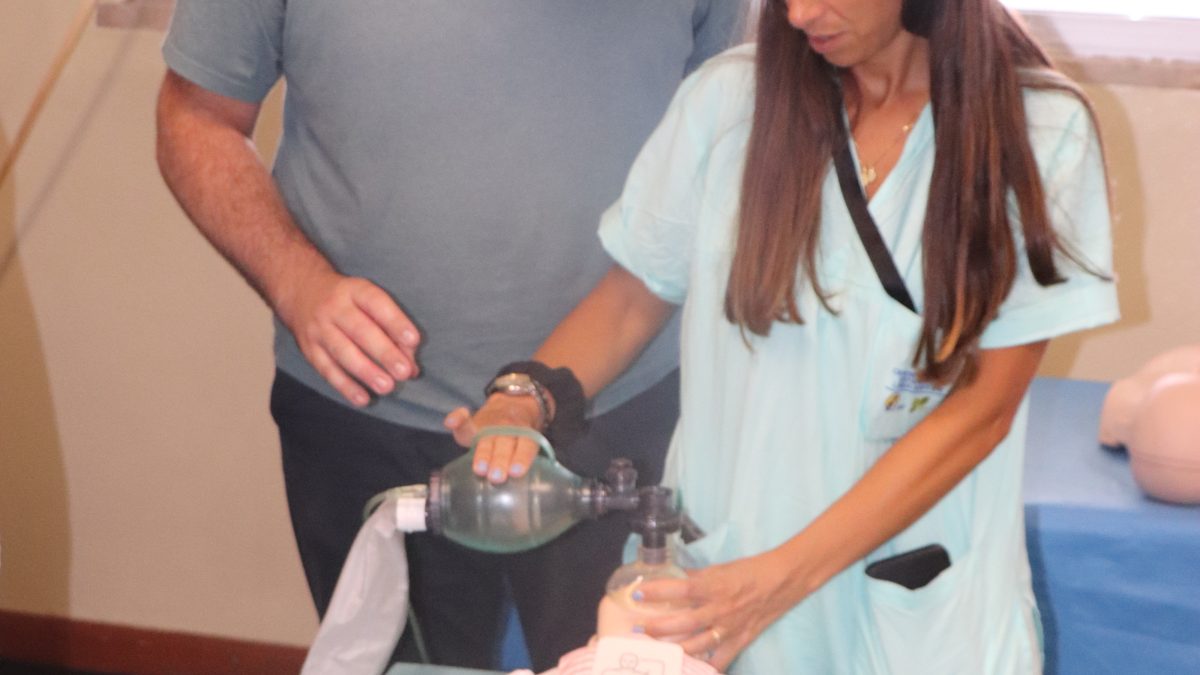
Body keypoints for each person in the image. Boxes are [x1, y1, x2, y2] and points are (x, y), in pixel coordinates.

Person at [446, 0, 1119, 672]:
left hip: (910, 601)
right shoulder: (727, 102)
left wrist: (776, 582)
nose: (799, 14)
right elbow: (629, 302)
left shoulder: (1038, 128)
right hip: (716, 583)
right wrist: (524, 396)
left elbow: (982, 410)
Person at [154, 1, 745, 670]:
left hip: (622, 412)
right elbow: (195, 116)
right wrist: (297, 282)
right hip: (367, 416)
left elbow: (729, 129)